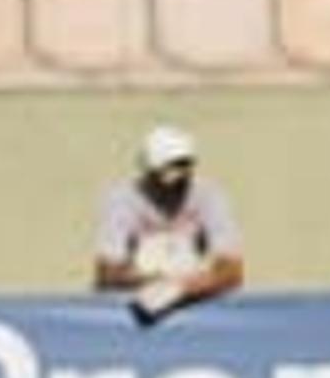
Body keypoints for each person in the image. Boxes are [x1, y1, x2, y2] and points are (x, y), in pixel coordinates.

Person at [92, 122, 243, 326]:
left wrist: (178, 289)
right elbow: (108, 273)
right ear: (149, 171)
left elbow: (231, 271)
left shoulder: (209, 196)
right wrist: (153, 282)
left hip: (195, 307)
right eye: (168, 172)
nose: (176, 183)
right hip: (135, 311)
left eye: (184, 169)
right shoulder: (122, 200)